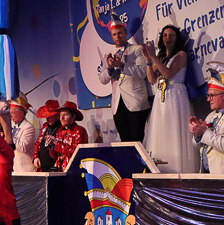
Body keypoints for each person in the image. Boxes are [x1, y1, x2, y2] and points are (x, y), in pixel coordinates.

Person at [143, 25, 200, 173]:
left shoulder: (181, 55)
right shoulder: (161, 57)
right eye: (165, 35)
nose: (168, 37)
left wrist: (154, 57)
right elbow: (152, 79)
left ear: (177, 39)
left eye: (171, 35)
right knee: (161, 131)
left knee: (174, 130)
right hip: (161, 97)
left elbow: (167, 74)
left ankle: (178, 169)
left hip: (175, 96)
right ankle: (162, 169)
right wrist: (149, 61)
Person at [97, 12, 151, 142]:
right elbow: (102, 79)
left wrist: (122, 65)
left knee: (137, 140)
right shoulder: (109, 55)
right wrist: (110, 69)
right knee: (125, 141)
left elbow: (143, 72)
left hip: (135, 101)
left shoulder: (137, 49)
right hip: (118, 105)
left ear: (125, 33)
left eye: (120, 33)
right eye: (114, 34)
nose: (117, 36)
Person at [51, 102, 88, 172]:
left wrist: (57, 144)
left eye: (65, 115)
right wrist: (52, 145)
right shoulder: (60, 131)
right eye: (60, 115)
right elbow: (55, 156)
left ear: (73, 117)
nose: (61, 118)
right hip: (60, 170)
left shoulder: (79, 130)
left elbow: (76, 153)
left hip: (73, 170)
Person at [32, 100, 61, 172]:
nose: (47, 119)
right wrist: (36, 157)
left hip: (55, 168)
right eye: (47, 116)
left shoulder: (62, 128)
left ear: (57, 115)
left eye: (50, 116)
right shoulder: (45, 126)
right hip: (42, 167)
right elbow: (38, 143)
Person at [9, 96, 36, 172]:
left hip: (25, 170)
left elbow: (23, 147)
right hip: (15, 169)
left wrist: (9, 135)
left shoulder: (29, 127)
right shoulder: (14, 126)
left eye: (13, 113)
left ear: (21, 113)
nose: (10, 116)